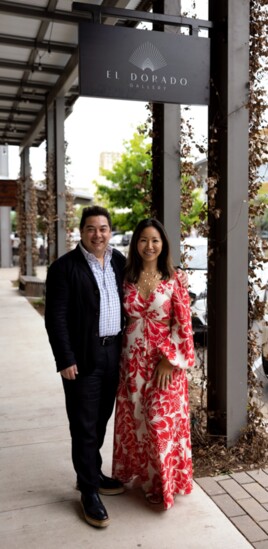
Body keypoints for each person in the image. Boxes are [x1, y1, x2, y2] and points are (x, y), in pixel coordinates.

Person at [45, 205, 126, 529]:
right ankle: (89, 491)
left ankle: (90, 473)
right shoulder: (64, 268)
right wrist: (65, 359)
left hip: (113, 355)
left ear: (110, 231)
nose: (98, 234)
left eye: (103, 228)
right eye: (91, 228)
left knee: (101, 418)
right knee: (84, 424)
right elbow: (56, 318)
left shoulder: (119, 261)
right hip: (83, 358)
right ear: (81, 232)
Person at [112, 218, 195, 509]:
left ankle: (165, 487)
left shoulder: (173, 279)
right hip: (132, 363)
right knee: (139, 422)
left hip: (164, 365)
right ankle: (146, 479)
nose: (150, 246)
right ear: (136, 244)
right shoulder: (125, 277)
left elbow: (183, 326)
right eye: (144, 240)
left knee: (160, 422)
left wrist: (170, 362)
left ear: (164, 245)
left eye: (155, 240)